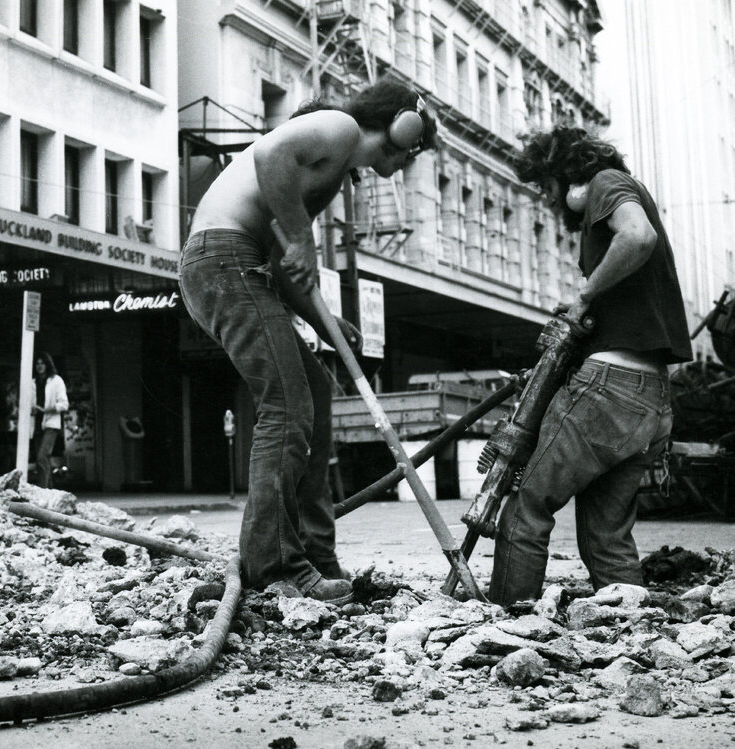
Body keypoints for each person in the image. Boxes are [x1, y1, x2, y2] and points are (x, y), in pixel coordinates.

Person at [179, 79, 437, 604]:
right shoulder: (339, 127)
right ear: (401, 127)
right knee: (288, 406)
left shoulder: (335, 167)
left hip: (236, 265)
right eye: (416, 147)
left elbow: (282, 259)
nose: (411, 159)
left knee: (314, 394)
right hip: (225, 261)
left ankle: (317, 557)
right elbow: (271, 152)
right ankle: (274, 566)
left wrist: (326, 327)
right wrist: (302, 236)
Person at [489, 125, 693, 605]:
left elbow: (637, 236)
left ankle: (503, 624)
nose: (547, 200)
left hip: (609, 388)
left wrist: (583, 295)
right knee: (606, 536)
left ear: (565, 176)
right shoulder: (622, 190)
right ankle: (634, 635)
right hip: (651, 399)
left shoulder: (605, 183)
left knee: (525, 506)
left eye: (546, 187)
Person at [31, 351, 69, 488]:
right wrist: (32, 409)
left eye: (42, 363)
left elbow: (64, 404)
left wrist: (46, 410)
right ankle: (50, 491)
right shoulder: (32, 383)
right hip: (36, 424)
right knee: (41, 459)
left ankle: (43, 489)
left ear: (48, 364)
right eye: (37, 363)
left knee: (42, 456)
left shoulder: (56, 380)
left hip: (51, 423)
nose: (39, 366)